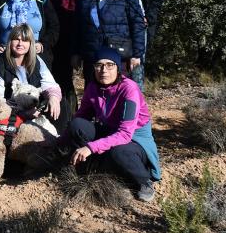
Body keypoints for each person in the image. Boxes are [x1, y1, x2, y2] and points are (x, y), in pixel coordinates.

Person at [58, 48, 161, 202]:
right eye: (99, 65)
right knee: (77, 125)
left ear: (118, 68)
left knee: (119, 153)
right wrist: (59, 140)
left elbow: (125, 134)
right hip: (109, 133)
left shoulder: (129, 89)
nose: (103, 70)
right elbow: (80, 117)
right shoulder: (93, 87)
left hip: (134, 140)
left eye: (110, 65)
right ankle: (88, 169)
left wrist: (91, 147)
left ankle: (143, 180)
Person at [73, 0, 146, 88]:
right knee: (94, 99)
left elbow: (137, 23)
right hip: (93, 58)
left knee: (119, 95)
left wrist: (137, 54)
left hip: (119, 57)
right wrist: (76, 52)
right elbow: (78, 27)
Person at [0, 24, 66, 131]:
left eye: (25, 40)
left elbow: (50, 84)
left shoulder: (37, 60)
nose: (20, 44)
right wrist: (22, 113)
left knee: (60, 104)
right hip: (10, 113)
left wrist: (53, 98)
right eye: (16, 39)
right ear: (10, 42)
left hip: (36, 107)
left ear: (30, 43)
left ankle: (60, 141)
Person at [36, 0, 79, 117]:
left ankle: (70, 117)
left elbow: (75, 15)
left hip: (64, 41)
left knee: (65, 81)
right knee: (45, 80)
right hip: (44, 41)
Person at [0, 0, 59, 68]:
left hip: (36, 58)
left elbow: (54, 26)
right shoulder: (2, 0)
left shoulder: (42, 0)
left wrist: (43, 44)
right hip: (6, 58)